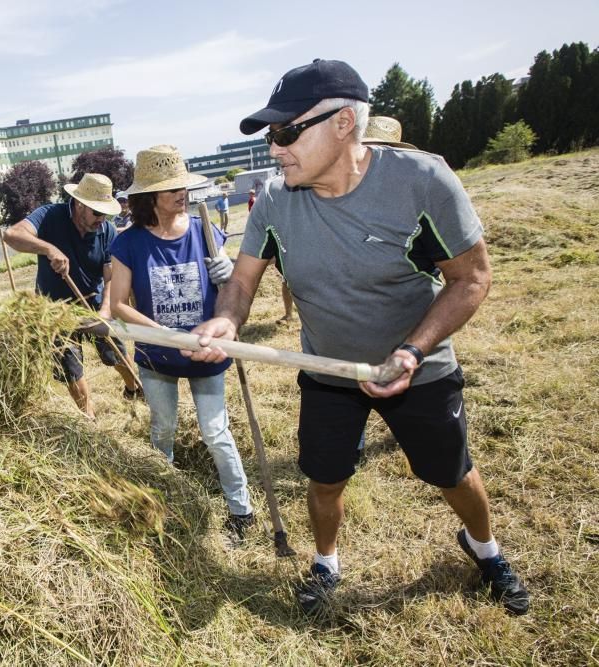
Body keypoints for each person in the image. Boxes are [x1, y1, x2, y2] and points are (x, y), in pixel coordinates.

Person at [186, 59, 529, 615]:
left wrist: (413, 351)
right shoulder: (275, 199)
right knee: (323, 479)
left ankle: (485, 549)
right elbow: (242, 283)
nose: (275, 149)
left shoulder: (421, 183)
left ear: (344, 122)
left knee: (451, 472)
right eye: (272, 137)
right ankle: (326, 563)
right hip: (329, 372)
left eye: (285, 132)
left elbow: (473, 278)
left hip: (419, 366)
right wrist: (227, 322)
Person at [108, 145, 255, 545]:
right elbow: (119, 304)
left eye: (182, 186)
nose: (181, 194)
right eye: (170, 188)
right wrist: (164, 335)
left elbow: (232, 294)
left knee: (215, 432)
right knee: (163, 430)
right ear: (148, 197)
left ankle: (241, 510)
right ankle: (168, 501)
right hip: (157, 357)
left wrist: (228, 274)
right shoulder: (129, 243)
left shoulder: (206, 231)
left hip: (207, 352)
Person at [2, 173, 143, 419]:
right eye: (97, 213)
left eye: (105, 213)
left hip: (94, 305)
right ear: (79, 204)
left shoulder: (107, 231)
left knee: (116, 354)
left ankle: (132, 389)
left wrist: (104, 313)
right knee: (70, 368)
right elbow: (12, 235)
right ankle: (90, 418)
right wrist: (49, 248)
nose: (103, 219)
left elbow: (109, 277)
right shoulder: (49, 216)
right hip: (54, 311)